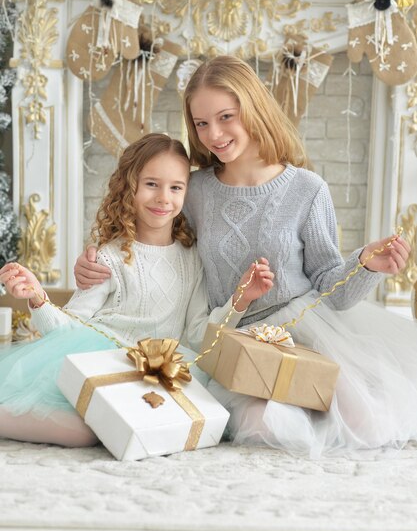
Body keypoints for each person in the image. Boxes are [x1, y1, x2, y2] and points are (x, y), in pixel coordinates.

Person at [74, 57, 417, 458]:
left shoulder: (307, 188)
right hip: (231, 339)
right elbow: (148, 231)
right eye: (201, 124)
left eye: (225, 117)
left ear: (253, 107)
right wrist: (97, 264)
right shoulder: (194, 190)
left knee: (365, 421)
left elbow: (331, 288)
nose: (214, 134)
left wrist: (365, 265)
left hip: (305, 332)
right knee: (263, 426)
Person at [0, 133, 274, 448]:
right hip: (104, 365)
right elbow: (67, 328)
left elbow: (199, 335)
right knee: (84, 433)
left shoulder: (192, 258)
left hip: (157, 373)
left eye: (176, 187)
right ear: (129, 186)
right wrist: (38, 297)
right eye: (151, 184)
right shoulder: (108, 257)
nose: (163, 198)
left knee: (192, 419)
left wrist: (241, 298)